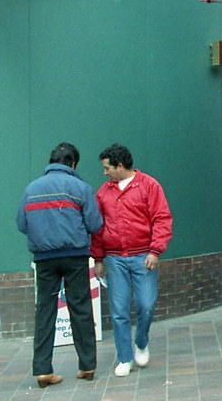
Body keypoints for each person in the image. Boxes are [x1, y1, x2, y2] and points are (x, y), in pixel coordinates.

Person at [16, 142, 103, 388]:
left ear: (50, 161)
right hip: (75, 257)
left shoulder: (31, 189)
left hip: (43, 259)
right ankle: (87, 365)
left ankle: (43, 370)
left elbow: (22, 224)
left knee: (45, 311)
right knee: (80, 308)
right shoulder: (80, 187)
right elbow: (95, 225)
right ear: (73, 164)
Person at [92, 144, 173, 378]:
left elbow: (161, 218)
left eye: (107, 168)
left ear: (119, 166)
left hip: (143, 256)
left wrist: (155, 250)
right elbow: (98, 229)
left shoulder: (149, 185)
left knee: (146, 305)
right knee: (118, 310)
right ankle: (124, 358)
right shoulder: (103, 192)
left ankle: (141, 341)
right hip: (115, 258)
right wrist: (98, 259)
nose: (104, 172)